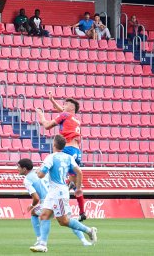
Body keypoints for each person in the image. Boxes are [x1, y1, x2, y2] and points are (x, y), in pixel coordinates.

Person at [29, 135, 97, 253]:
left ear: (54, 145)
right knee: (44, 215)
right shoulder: (69, 157)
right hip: (55, 192)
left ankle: (89, 230)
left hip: (58, 193)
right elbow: (79, 172)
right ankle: (42, 245)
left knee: (64, 221)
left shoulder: (50, 157)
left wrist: (37, 172)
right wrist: (78, 188)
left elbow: (41, 175)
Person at [17, 158, 92, 247]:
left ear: (24, 169)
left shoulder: (27, 180)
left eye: (18, 167)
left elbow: (36, 198)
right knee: (67, 220)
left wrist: (31, 205)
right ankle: (84, 241)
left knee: (35, 213)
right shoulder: (41, 172)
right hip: (59, 196)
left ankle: (40, 239)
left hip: (47, 201)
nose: (17, 169)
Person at [36, 93, 86, 222]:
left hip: (67, 149)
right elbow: (63, 112)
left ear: (71, 108)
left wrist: (40, 114)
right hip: (77, 151)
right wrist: (52, 101)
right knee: (73, 182)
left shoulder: (65, 115)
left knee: (53, 176)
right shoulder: (74, 119)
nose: (63, 105)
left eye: (65, 104)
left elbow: (47, 126)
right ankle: (82, 212)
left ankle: (50, 206)